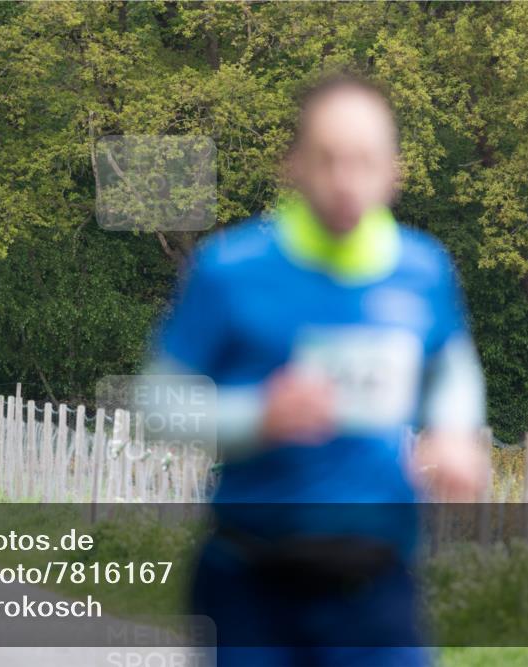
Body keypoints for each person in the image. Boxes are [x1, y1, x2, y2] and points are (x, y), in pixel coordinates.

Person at [152, 74, 488, 666]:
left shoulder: (423, 270)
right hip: (251, 581)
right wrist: (259, 415)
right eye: (327, 159)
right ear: (294, 166)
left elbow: (451, 366)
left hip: (375, 585)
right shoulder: (230, 269)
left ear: (394, 171)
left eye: (363, 161)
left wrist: (455, 430)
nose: (345, 181)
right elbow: (157, 404)